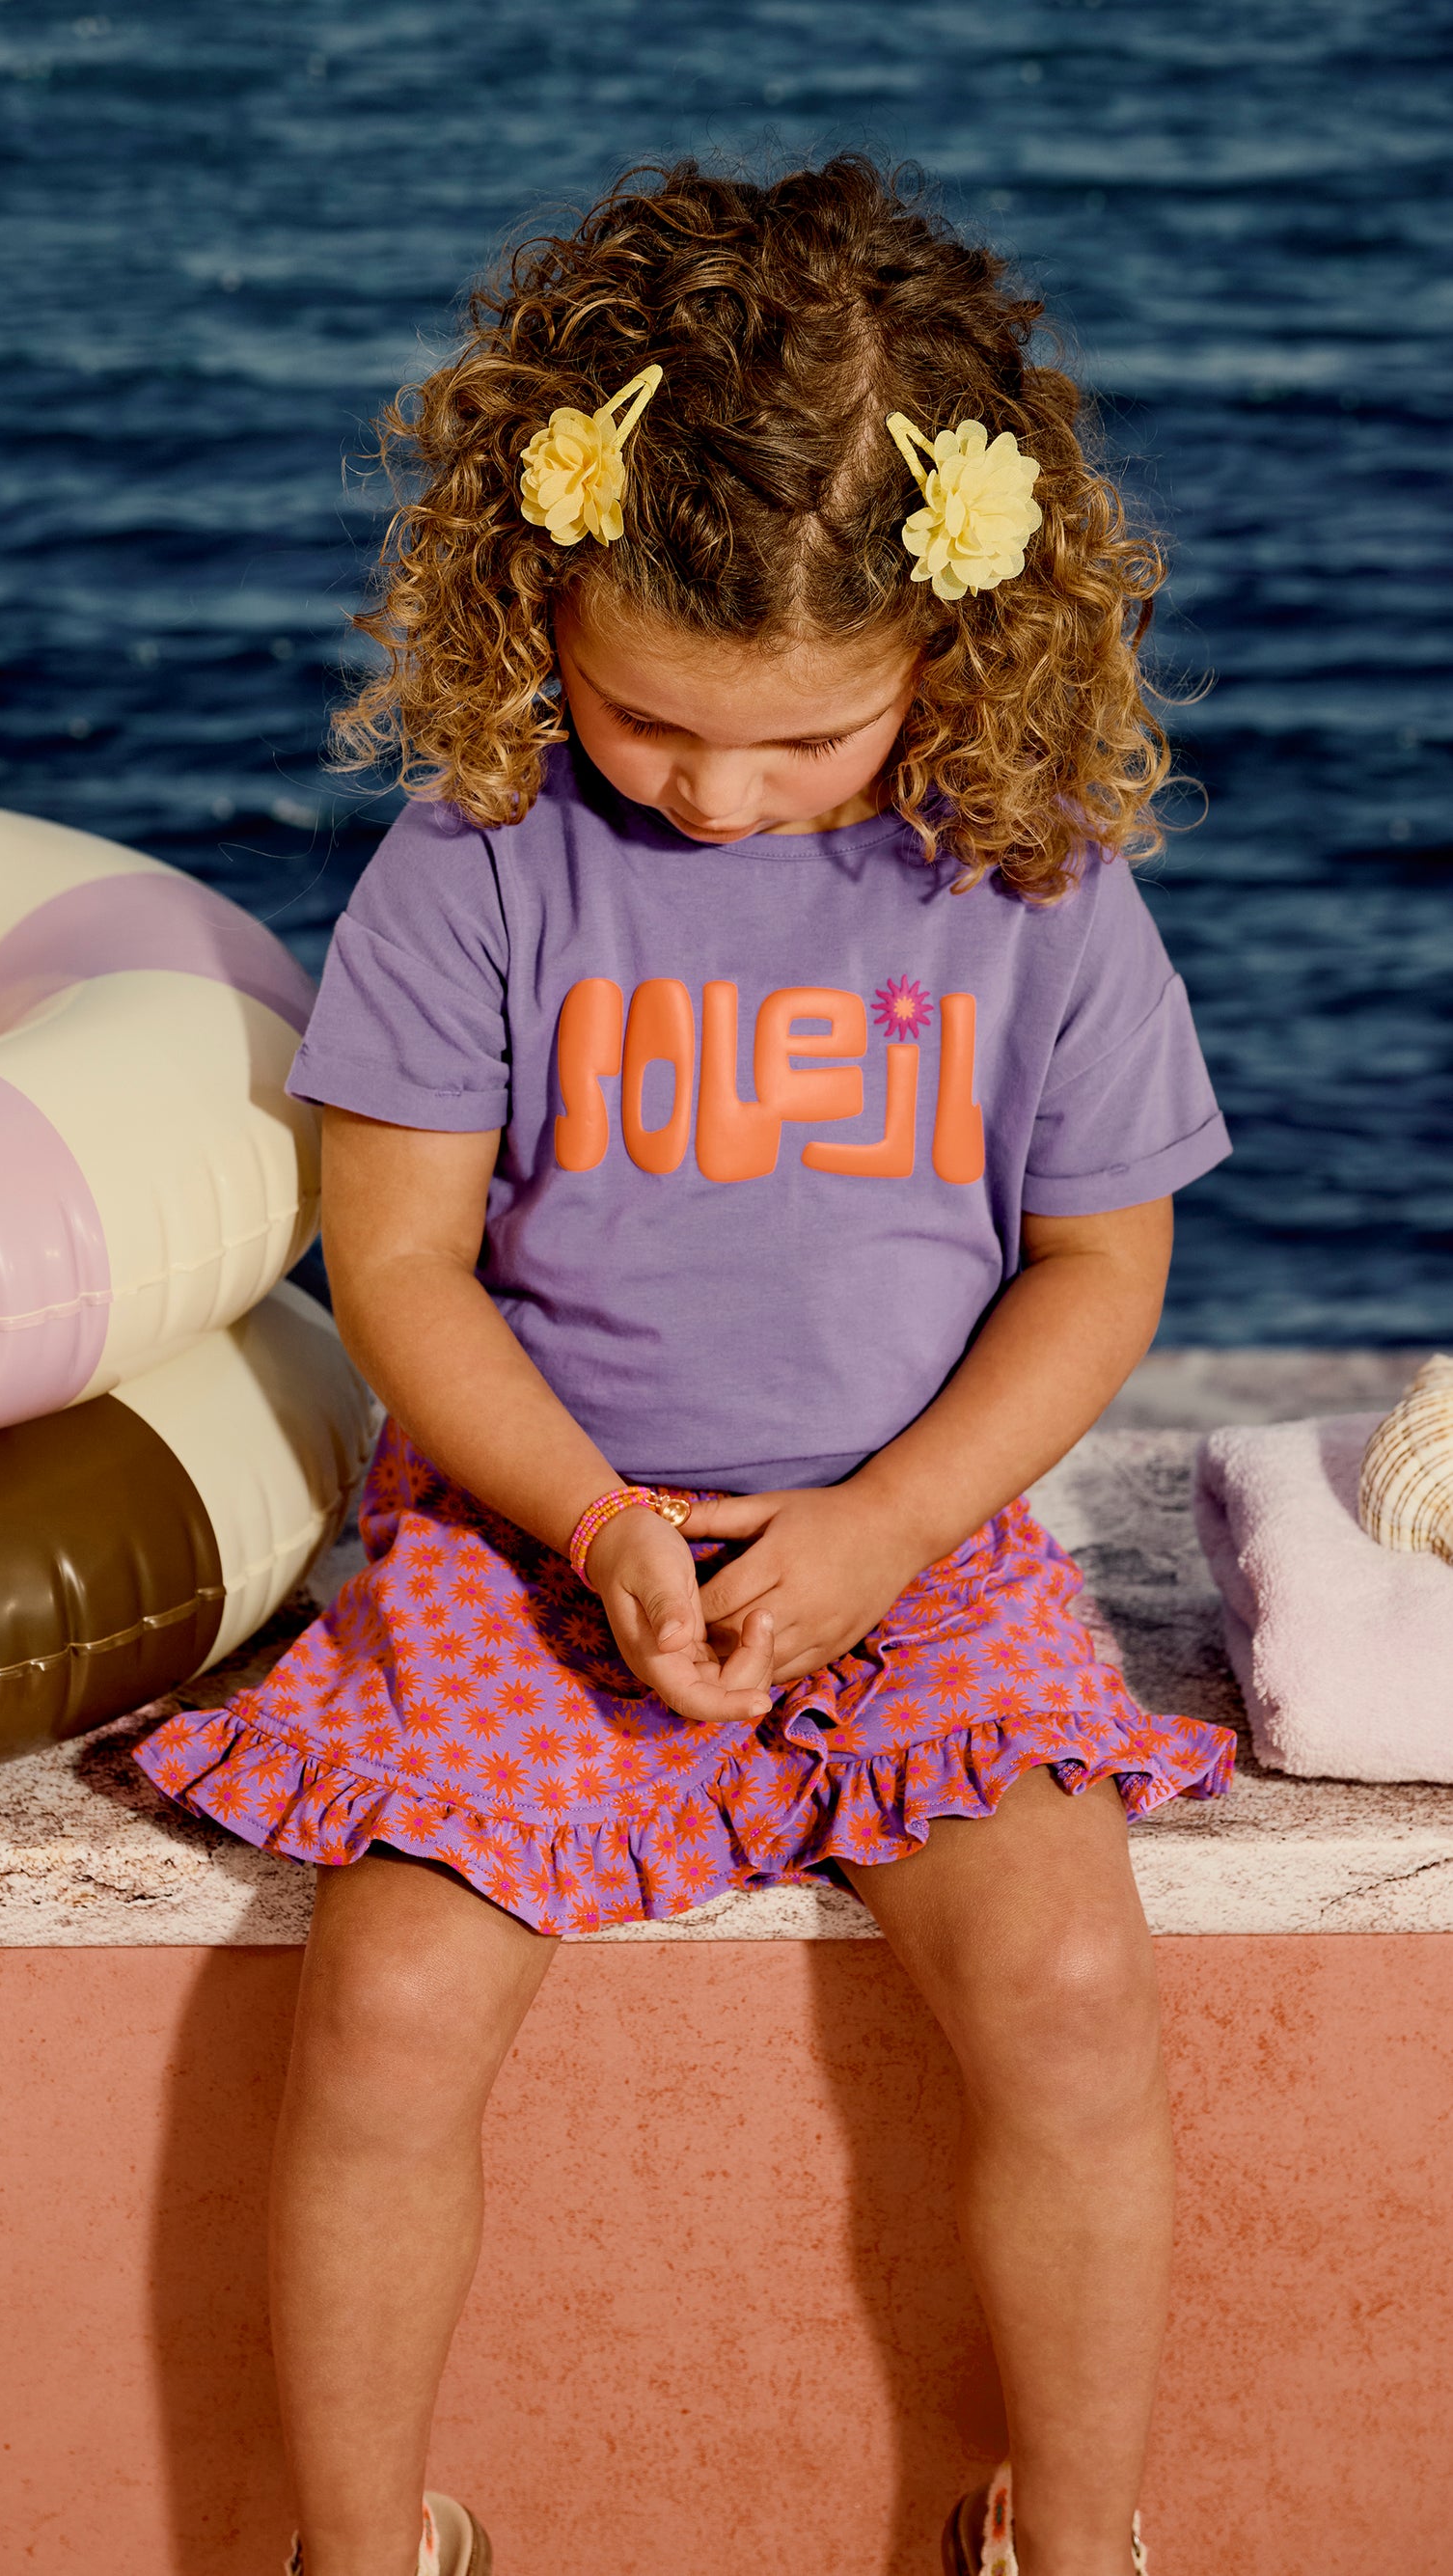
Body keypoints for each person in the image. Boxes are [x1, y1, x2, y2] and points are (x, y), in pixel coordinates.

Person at [137, 154, 1236, 2576]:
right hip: (532, 1537)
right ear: (534, 597)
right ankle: (360, 2548)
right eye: (648, 722)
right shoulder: (477, 854)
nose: (716, 798)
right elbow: (397, 1261)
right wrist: (596, 1521)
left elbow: (1092, 1265)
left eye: (803, 742)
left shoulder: (1027, 874)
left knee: (1068, 1979)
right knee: (389, 2006)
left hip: (912, 1540)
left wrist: (888, 1526)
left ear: (954, 643)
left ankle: (1069, 2538)